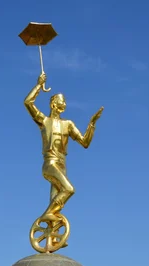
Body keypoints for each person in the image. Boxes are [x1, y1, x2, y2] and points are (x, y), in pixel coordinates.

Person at [24, 73, 103, 225]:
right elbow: (28, 103)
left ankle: (52, 237)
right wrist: (39, 85)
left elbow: (84, 142)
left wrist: (92, 124)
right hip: (50, 163)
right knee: (69, 189)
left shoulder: (68, 124)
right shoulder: (44, 121)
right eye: (62, 100)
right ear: (53, 104)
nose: (65, 103)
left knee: (55, 203)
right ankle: (47, 215)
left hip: (62, 164)